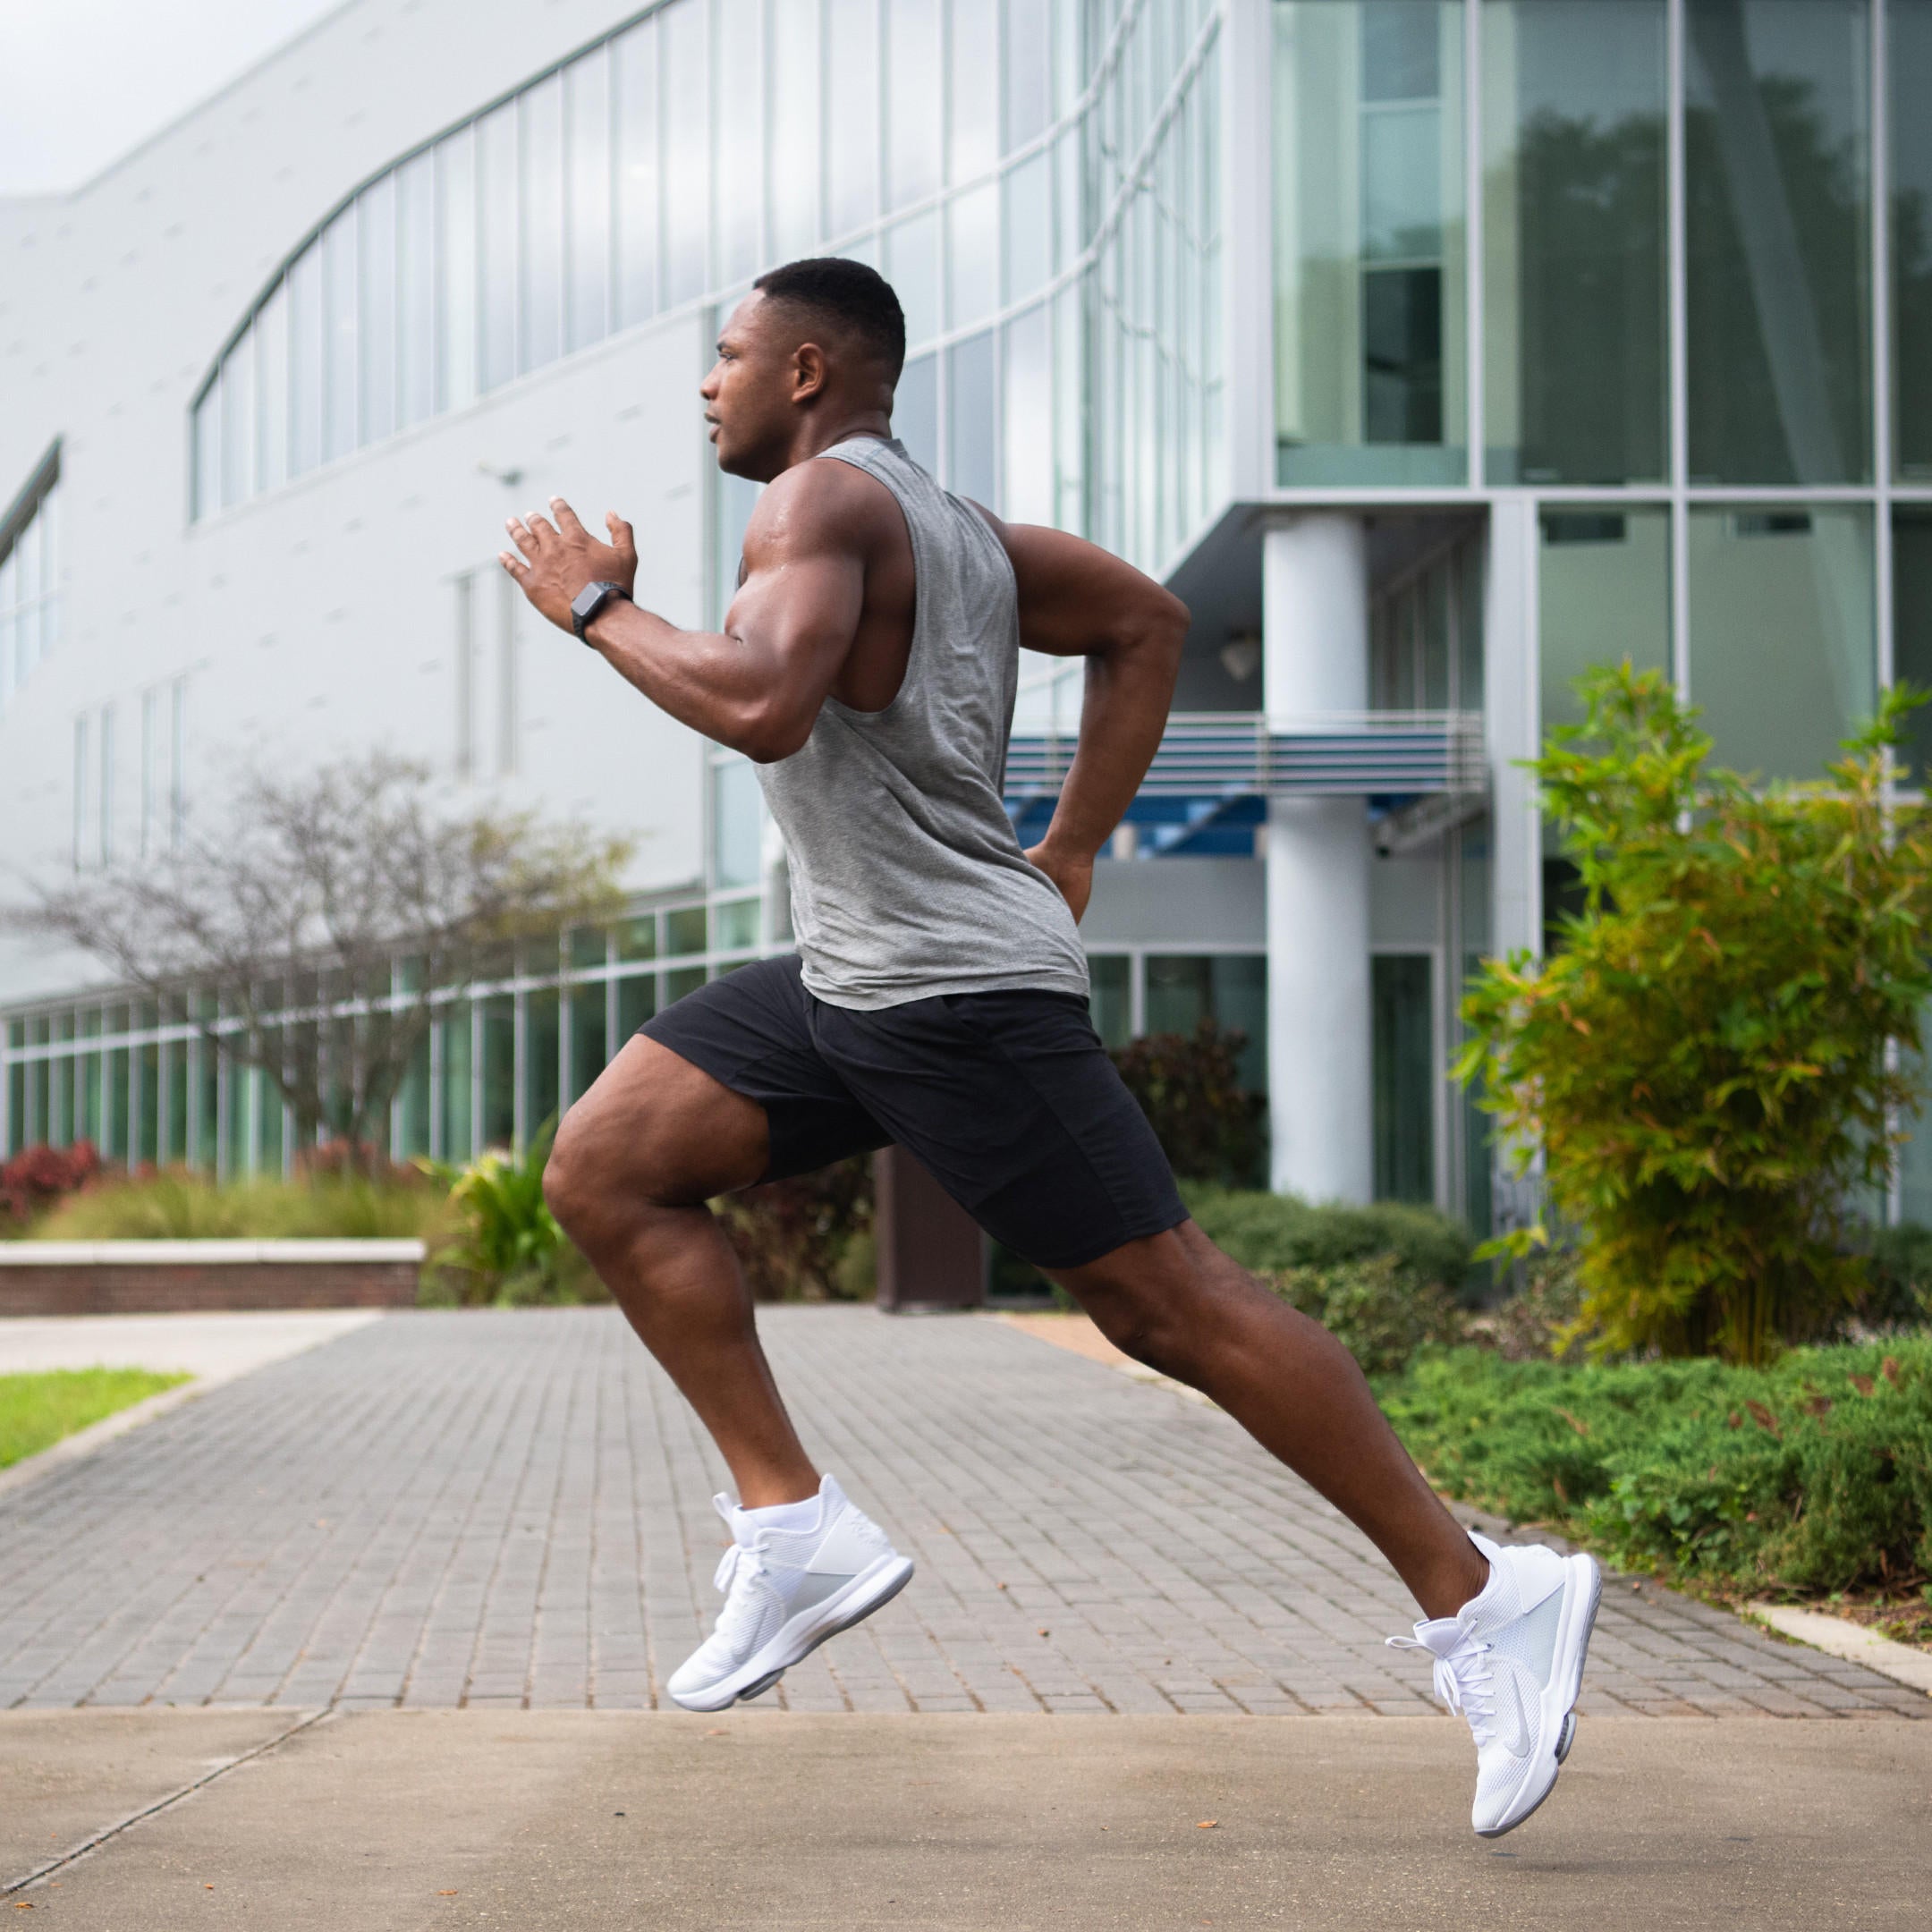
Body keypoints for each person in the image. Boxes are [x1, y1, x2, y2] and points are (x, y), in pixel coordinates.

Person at [497, 257, 1599, 1838]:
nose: (707, 385)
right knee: (608, 1165)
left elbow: (761, 706)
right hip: (852, 977)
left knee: (1171, 1307)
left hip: (952, 993)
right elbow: (1146, 621)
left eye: (727, 357)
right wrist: (1071, 843)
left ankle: (1488, 1590)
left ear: (808, 371)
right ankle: (795, 1523)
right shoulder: (958, 531)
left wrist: (597, 608)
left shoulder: (814, 513)